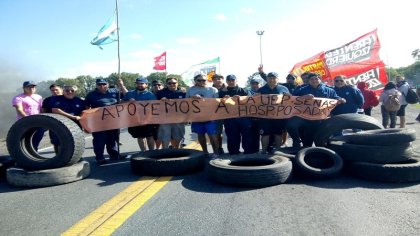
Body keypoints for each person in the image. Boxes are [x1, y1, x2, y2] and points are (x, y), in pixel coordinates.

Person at [287, 72, 345, 147]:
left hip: (322, 121)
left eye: (316, 79)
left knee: (322, 144)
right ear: (309, 80)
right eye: (312, 79)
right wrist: (303, 97)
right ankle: (297, 141)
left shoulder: (330, 90)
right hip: (307, 121)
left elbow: (336, 98)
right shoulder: (301, 90)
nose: (314, 80)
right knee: (305, 141)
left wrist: (342, 99)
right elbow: (293, 99)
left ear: (320, 79)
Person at [85, 78, 128, 165]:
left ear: (107, 84)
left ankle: (114, 155)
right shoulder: (91, 95)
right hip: (98, 122)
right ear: (96, 85)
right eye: (100, 85)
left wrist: (121, 85)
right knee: (99, 140)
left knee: (112, 139)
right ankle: (100, 157)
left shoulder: (115, 91)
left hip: (113, 120)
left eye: (104, 84)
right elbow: (86, 108)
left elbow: (127, 95)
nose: (102, 86)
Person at [186, 74, 220, 158]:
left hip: (210, 117)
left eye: (203, 80)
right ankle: (205, 152)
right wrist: (191, 99)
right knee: (200, 135)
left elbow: (218, 102)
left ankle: (216, 152)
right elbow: (185, 102)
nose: (201, 82)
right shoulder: (190, 90)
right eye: (199, 80)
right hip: (197, 117)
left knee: (212, 135)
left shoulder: (213, 89)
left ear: (207, 80)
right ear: (195, 81)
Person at [219, 74, 254, 155]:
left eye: (233, 80)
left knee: (246, 135)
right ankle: (233, 152)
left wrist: (241, 99)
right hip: (229, 118)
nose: (231, 82)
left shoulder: (243, 90)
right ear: (226, 81)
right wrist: (223, 99)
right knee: (232, 137)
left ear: (236, 81)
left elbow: (251, 101)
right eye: (229, 80)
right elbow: (217, 104)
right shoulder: (222, 92)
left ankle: (248, 152)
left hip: (243, 118)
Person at [256, 72, 290, 153]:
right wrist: (255, 97)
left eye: (274, 78)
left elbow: (290, 101)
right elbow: (255, 102)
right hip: (265, 117)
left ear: (277, 79)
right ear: (266, 79)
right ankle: (263, 151)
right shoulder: (261, 89)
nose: (271, 80)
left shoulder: (284, 89)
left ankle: (278, 151)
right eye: (269, 78)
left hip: (279, 117)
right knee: (265, 134)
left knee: (278, 134)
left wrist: (289, 97)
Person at [124, 77, 157, 152]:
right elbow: (121, 104)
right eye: (138, 83)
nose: (139, 85)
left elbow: (155, 107)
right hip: (135, 119)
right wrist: (128, 102)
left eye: (142, 83)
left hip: (148, 120)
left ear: (146, 85)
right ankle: (143, 152)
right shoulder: (129, 94)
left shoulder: (151, 95)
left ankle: (152, 152)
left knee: (150, 136)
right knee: (140, 137)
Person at [11, 81, 44, 151]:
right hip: (25, 122)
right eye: (29, 87)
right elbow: (19, 110)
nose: (31, 88)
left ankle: (34, 151)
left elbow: (41, 109)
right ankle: (24, 155)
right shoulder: (18, 98)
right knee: (26, 139)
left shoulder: (39, 97)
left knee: (38, 136)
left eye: (33, 87)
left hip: (38, 121)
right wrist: (28, 119)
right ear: (24, 88)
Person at [156, 77, 186, 149]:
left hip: (179, 119)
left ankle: (177, 150)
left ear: (177, 84)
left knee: (178, 136)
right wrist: (160, 100)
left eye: (174, 83)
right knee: (165, 136)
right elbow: (153, 104)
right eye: (169, 83)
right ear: (166, 84)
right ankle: (165, 152)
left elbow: (188, 106)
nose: (172, 84)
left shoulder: (183, 93)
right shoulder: (160, 93)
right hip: (165, 119)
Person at [42, 84, 63, 153]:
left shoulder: (67, 97)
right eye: (52, 90)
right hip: (54, 124)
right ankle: (59, 157)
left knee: (71, 141)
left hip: (69, 123)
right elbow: (44, 112)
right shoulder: (47, 100)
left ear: (61, 89)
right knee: (56, 142)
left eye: (56, 90)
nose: (55, 91)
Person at [211, 74, 226, 154]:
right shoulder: (210, 89)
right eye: (215, 79)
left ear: (222, 79)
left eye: (219, 78)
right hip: (216, 114)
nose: (217, 80)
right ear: (212, 81)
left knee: (230, 132)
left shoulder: (229, 88)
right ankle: (219, 148)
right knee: (218, 133)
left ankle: (233, 149)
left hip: (229, 114)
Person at [150, 80, 163, 149]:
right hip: (152, 118)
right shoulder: (148, 94)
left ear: (162, 86)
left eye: (159, 85)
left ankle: (160, 148)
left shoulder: (165, 93)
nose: (157, 86)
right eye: (155, 85)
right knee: (154, 135)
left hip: (165, 118)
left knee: (162, 134)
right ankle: (156, 149)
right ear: (151, 87)